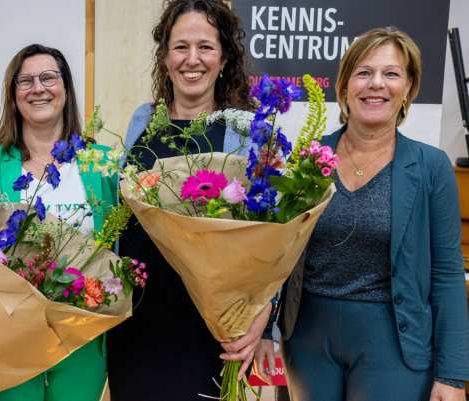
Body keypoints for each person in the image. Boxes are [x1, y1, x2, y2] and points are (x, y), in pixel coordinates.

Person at [255, 27, 469, 401]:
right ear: (345, 85)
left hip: (394, 343)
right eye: (364, 72)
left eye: (391, 73)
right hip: (307, 341)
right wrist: (261, 332)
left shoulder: (430, 167)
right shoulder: (308, 157)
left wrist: (452, 375)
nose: (377, 85)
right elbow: (278, 258)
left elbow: (447, 273)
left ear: (408, 87)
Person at [106, 1, 272, 400]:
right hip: (138, 323)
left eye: (205, 47)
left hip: (208, 328)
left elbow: (272, 238)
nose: (191, 60)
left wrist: (264, 313)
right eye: (180, 47)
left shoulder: (248, 132)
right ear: (164, 56)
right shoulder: (142, 121)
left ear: (225, 56)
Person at [0, 44, 117, 401]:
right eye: (26, 81)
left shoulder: (103, 164)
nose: (38, 88)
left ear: (66, 88)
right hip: (8, 336)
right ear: (13, 95)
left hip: (83, 331)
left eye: (48, 77)